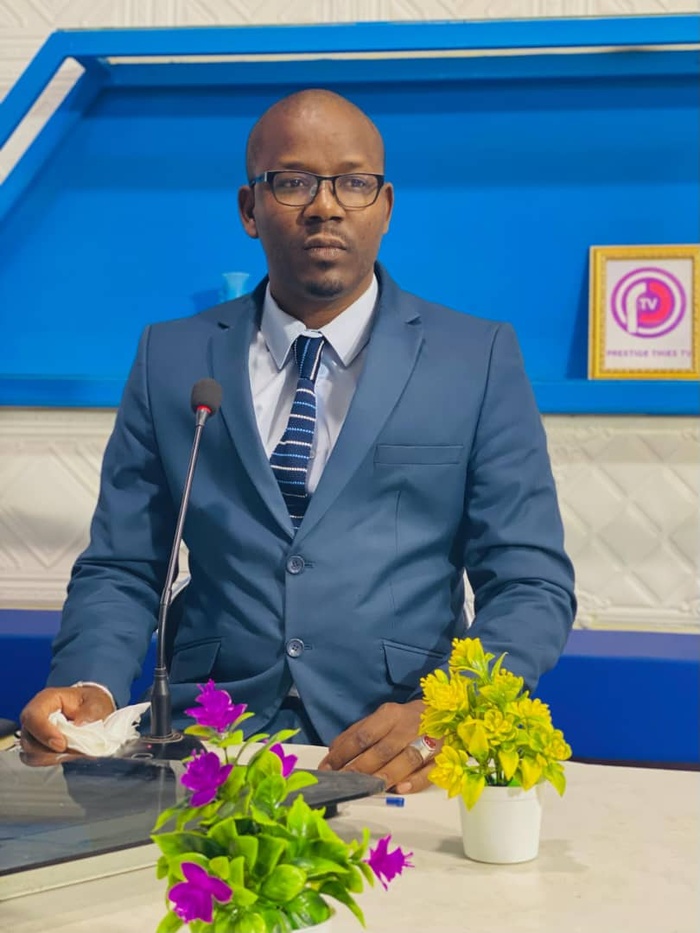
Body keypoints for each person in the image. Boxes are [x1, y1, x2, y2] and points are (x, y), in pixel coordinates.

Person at [20, 89, 575, 794]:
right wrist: (90, 685)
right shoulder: (171, 357)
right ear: (249, 208)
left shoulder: (476, 357)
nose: (325, 206)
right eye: (292, 182)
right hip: (204, 739)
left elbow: (530, 581)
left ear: (385, 206)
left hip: (395, 744)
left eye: (353, 182)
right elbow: (124, 564)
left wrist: (448, 713)